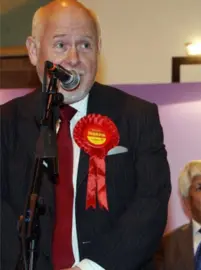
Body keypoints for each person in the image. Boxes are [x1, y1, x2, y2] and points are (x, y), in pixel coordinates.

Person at [0, 1, 171, 269]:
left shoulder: (137, 116)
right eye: (60, 45)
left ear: (99, 49)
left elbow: (151, 203)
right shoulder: (6, 123)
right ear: (33, 50)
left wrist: (92, 267)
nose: (73, 58)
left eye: (85, 45)